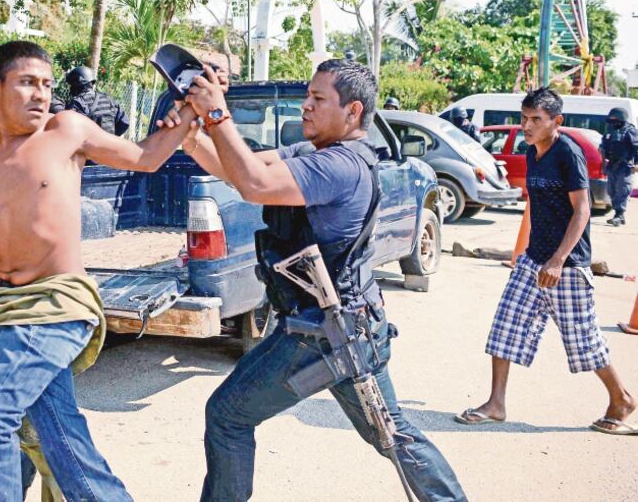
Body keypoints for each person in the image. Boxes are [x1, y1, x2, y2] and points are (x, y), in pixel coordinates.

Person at [172, 59, 465, 501]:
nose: (305, 106)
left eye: (318, 98)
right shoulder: (317, 154)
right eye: (308, 96)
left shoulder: (339, 166)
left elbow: (255, 184)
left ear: (353, 111)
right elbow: (241, 170)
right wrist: (194, 137)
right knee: (391, 432)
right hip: (339, 326)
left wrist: (217, 114)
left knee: (228, 416)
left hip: (326, 333)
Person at [0, 40, 197, 501]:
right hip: (5, 308)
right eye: (27, 82)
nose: (40, 94)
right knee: (61, 435)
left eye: (46, 84)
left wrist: (188, 112)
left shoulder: (66, 130)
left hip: (58, 304)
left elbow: (145, 157)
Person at [456, 88, 635, 435]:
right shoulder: (532, 151)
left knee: (583, 341)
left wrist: (557, 259)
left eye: (536, 119)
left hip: (566, 266)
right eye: (524, 118)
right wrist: (532, 253)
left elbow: (582, 210)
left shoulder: (568, 153)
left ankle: (622, 398)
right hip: (533, 260)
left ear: (557, 121)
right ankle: (496, 403)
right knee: (505, 326)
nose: (527, 126)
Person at [65, 65, 129, 136]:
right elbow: (125, 122)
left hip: (88, 142)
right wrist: (111, 138)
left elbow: (70, 129)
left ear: (78, 83)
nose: (70, 88)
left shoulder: (77, 102)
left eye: (71, 84)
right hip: (108, 142)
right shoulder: (109, 100)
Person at [600, 107, 638, 226]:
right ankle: (619, 215)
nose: (611, 120)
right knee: (611, 190)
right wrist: (603, 159)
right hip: (612, 165)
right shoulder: (610, 130)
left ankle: (619, 214)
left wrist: (637, 164)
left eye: (614, 118)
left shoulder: (630, 131)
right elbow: (604, 146)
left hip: (625, 166)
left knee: (623, 190)